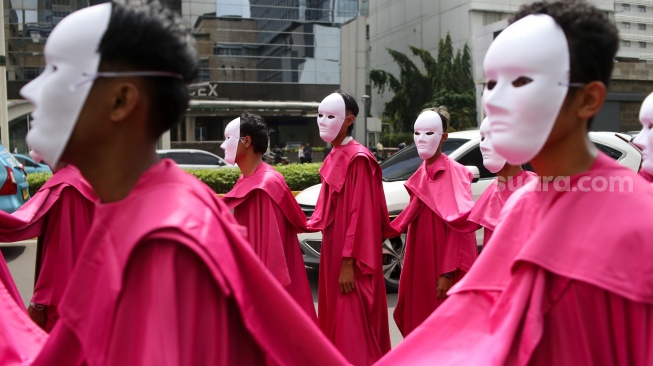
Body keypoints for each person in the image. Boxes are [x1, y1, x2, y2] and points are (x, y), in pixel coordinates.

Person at [0, 2, 349, 364]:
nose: (31, 91)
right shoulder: (131, 205)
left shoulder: (166, 240)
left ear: (121, 100)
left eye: (55, 70)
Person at [377, 2, 653, 365]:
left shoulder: (639, 220)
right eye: (491, 83)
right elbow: (467, 324)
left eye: (521, 81)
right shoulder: (522, 206)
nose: (495, 100)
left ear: (588, 99)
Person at [308, 91, 393, 366]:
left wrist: (348, 262)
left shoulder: (358, 158)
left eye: (330, 116)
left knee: (353, 324)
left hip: (351, 258)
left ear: (349, 120)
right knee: (335, 318)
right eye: (320, 115)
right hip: (332, 251)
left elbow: (361, 217)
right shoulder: (335, 154)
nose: (322, 121)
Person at [389, 107, 478, 337]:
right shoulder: (421, 173)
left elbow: (461, 228)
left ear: (443, 137)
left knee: (443, 328)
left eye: (429, 133)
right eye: (417, 133)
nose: (421, 139)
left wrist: (447, 273)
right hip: (419, 261)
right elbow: (405, 220)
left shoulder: (455, 173)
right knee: (419, 323)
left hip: (441, 264)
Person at [221, 113, 316, 321]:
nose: (222, 145)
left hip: (266, 295)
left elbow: (272, 258)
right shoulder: (249, 180)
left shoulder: (265, 186)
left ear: (246, 141)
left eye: (228, 138)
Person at [0, 164, 96, 332]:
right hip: (92, 296)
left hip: (65, 308)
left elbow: (59, 255)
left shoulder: (65, 187)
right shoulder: (87, 177)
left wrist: (37, 305)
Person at [468, 118, 536, 248]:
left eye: (493, 137)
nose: (483, 145)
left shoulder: (536, 189)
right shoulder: (493, 189)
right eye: (482, 138)